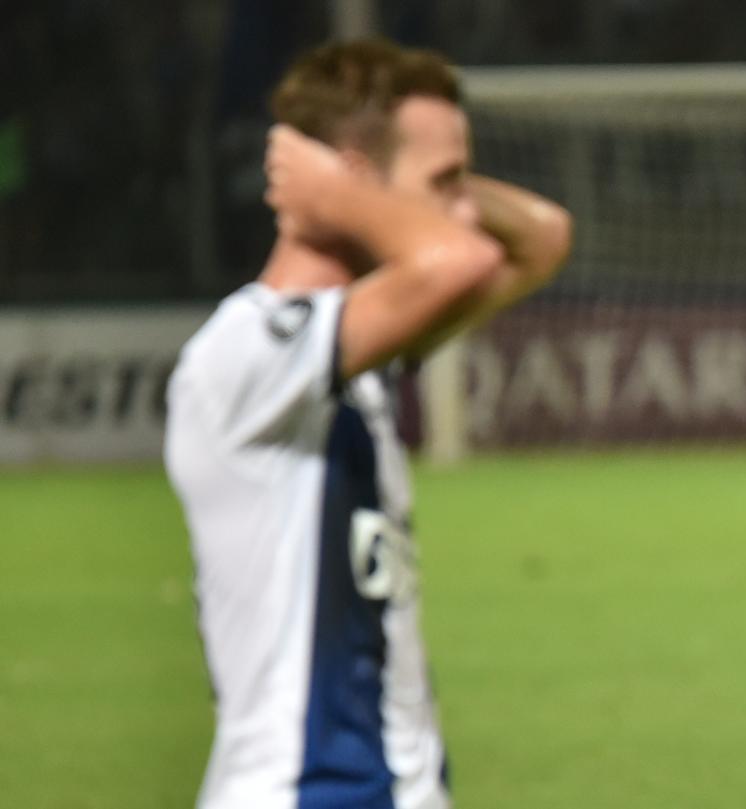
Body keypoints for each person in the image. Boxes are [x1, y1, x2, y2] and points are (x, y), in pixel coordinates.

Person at [164, 39, 572, 809]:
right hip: (307, 791)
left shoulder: (359, 355)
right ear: (346, 182)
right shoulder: (247, 353)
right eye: (445, 181)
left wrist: (385, 186)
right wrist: (351, 193)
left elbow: (542, 237)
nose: (463, 210)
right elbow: (460, 262)